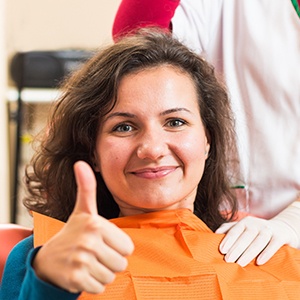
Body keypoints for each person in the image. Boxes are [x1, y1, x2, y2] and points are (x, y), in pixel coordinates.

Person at [1, 29, 300, 300]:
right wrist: (46, 284)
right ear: (92, 151)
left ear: (208, 139)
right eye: (124, 127)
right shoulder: (43, 258)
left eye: (175, 122)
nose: (152, 149)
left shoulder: (273, 254)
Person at [112, 0, 300, 267]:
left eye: (175, 123)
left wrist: (294, 221)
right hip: (210, 228)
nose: (152, 148)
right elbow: (139, 45)